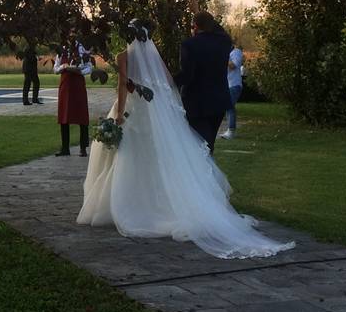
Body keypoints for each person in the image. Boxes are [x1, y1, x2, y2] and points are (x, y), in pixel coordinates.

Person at [77, 22, 294, 259]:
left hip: (132, 110)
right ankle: (158, 202)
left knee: (131, 156)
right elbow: (168, 81)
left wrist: (119, 114)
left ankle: (132, 205)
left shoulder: (123, 56)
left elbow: (121, 85)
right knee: (156, 157)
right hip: (150, 110)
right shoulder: (154, 56)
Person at [174, 11, 233, 154]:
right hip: (219, 100)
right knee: (209, 143)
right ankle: (208, 173)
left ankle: (204, 175)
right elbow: (218, 28)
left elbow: (188, 75)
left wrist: (169, 81)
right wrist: (198, 11)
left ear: (195, 26)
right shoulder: (225, 41)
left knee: (199, 146)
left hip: (197, 103)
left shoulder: (190, 44)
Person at [54, 37, 91, 157]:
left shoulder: (83, 49)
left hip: (78, 85)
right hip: (65, 85)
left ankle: (83, 148)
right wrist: (63, 67)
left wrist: (79, 71)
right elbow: (55, 69)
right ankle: (65, 148)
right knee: (64, 116)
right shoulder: (62, 50)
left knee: (82, 116)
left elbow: (89, 67)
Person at [221, 43, 245, 140]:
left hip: (234, 85)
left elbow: (233, 66)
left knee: (229, 106)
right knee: (228, 107)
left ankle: (231, 131)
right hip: (227, 85)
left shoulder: (236, 52)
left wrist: (224, 56)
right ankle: (230, 129)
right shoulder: (227, 54)